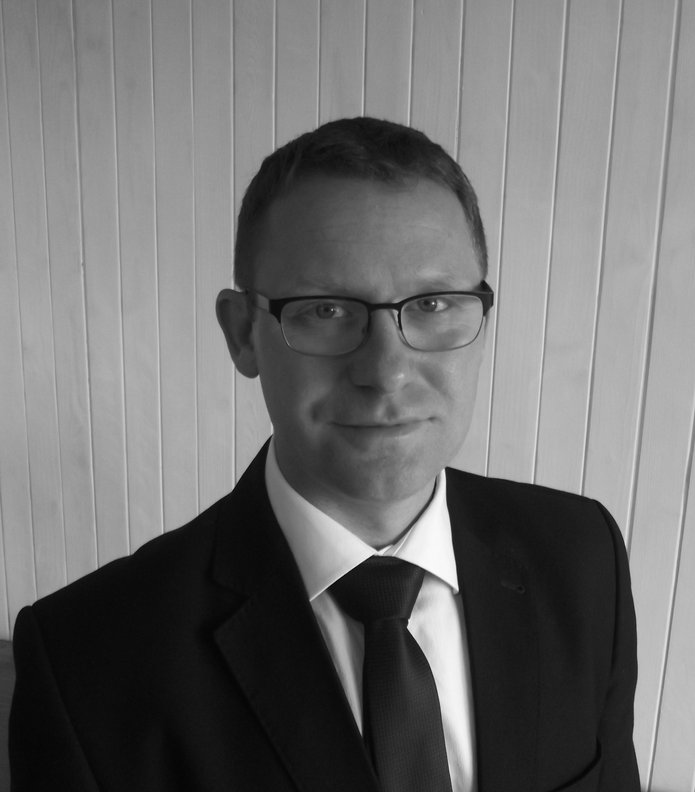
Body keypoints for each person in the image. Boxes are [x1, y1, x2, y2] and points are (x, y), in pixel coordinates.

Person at [9, 117, 640, 791]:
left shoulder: (582, 557)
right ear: (243, 333)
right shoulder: (86, 660)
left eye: (432, 303)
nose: (387, 371)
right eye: (326, 310)